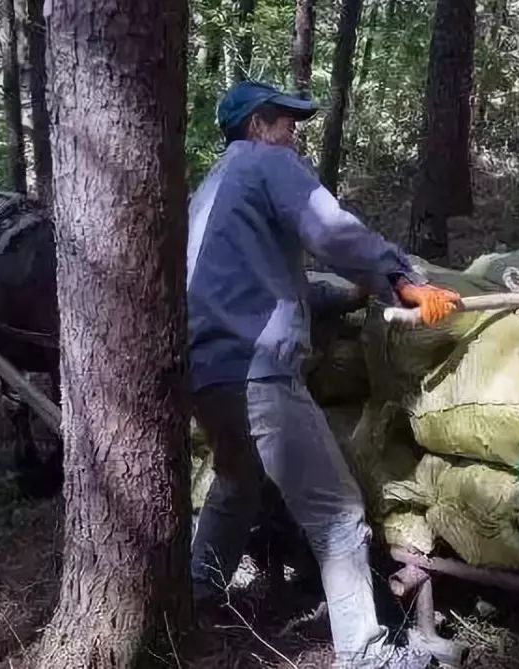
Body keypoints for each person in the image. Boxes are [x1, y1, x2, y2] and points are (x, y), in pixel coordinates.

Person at [185, 80, 459, 667]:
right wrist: (401, 279)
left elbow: (256, 286)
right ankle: (365, 652)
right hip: (259, 373)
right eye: (286, 123)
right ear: (258, 126)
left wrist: (346, 296)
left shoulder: (209, 192)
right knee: (336, 511)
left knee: (236, 485)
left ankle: (194, 597)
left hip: (208, 377)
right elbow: (333, 231)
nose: (294, 135)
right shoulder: (265, 163)